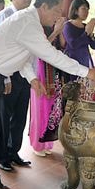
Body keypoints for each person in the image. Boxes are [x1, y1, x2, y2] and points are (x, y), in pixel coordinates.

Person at [0, 0, 95, 189]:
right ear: (44, 6)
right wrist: (87, 72)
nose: (59, 16)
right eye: (56, 10)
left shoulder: (30, 21)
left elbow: (22, 53)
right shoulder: (28, 23)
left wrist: (32, 78)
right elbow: (51, 55)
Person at [0, 0, 33, 172]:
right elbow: (0, 48)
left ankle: (13, 151)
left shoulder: (28, 18)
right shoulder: (5, 15)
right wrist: (6, 77)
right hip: (9, 74)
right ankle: (1, 156)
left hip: (25, 74)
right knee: (4, 117)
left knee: (19, 116)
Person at [29, 18, 66, 157]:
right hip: (40, 69)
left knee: (52, 108)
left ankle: (47, 142)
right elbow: (41, 48)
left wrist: (60, 31)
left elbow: (63, 45)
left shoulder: (54, 26)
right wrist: (55, 31)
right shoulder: (38, 27)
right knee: (40, 107)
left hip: (54, 69)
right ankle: (37, 144)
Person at [62, 0, 95, 82]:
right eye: (83, 8)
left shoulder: (86, 26)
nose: (86, 11)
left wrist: (91, 35)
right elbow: (73, 44)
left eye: (87, 9)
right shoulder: (68, 25)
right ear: (75, 10)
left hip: (86, 61)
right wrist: (86, 33)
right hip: (73, 63)